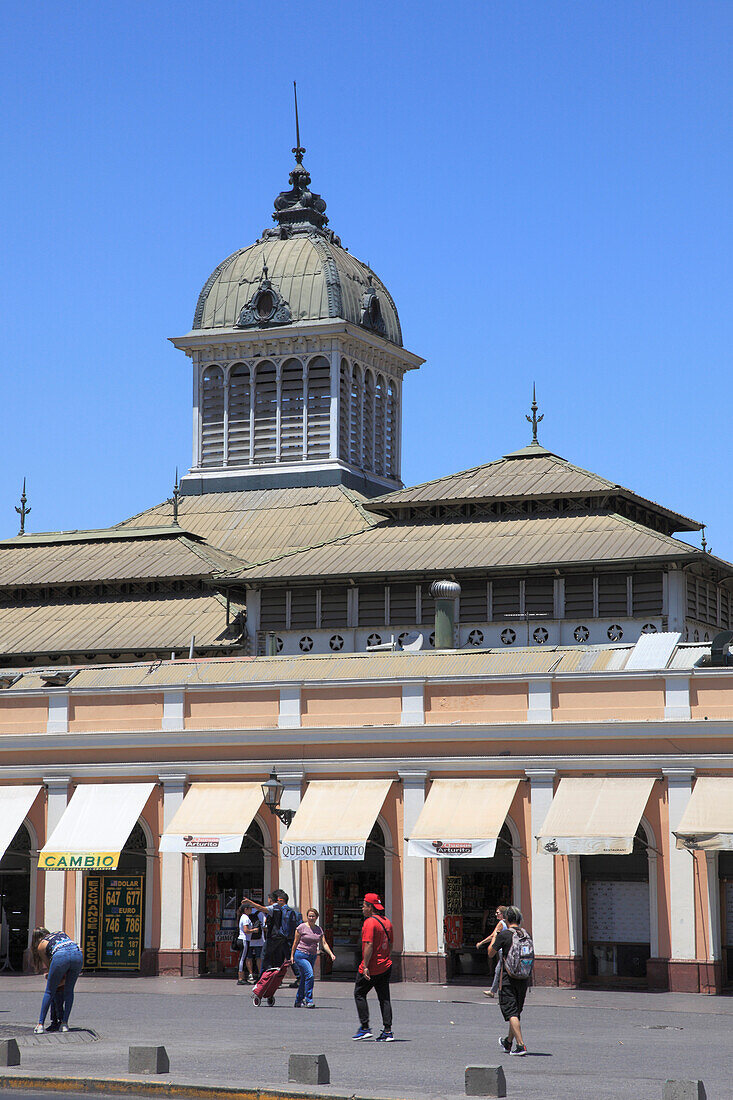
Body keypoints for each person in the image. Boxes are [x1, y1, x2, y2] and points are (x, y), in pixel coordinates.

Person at [488, 906, 532, 1057]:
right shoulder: (525, 934)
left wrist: (495, 936)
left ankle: (521, 1045)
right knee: (516, 1012)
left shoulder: (505, 935)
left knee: (511, 1012)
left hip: (507, 978)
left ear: (506, 919)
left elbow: (490, 953)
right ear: (519, 919)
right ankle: (508, 1042)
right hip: (523, 978)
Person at [353, 892, 394, 1042]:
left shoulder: (370, 922)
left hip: (372, 967)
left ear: (370, 907)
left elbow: (369, 944)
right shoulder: (387, 922)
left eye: (364, 906)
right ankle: (388, 1031)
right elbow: (390, 944)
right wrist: (385, 957)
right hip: (385, 965)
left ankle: (364, 1027)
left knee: (359, 993)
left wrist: (365, 965)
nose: (362, 909)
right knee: (384, 998)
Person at [31, 928, 84, 1034]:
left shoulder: (41, 945)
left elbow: (51, 966)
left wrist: (52, 977)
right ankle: (64, 1024)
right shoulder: (60, 933)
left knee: (49, 991)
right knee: (69, 991)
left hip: (60, 957)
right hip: (77, 955)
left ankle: (40, 1025)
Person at [290, 907, 336, 1008]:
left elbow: (324, 943)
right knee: (310, 975)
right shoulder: (301, 927)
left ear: (316, 917)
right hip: (300, 955)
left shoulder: (319, 929)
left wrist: (331, 954)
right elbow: (295, 942)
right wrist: (292, 956)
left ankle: (298, 1000)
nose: (311, 918)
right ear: (307, 917)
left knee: (304, 978)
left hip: (312, 956)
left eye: (313, 916)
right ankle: (308, 999)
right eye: (309, 916)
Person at [477, 905, 507, 997]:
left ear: (502, 914)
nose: (496, 914)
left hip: (502, 950)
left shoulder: (501, 923)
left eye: (497, 913)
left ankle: (495, 991)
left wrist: (481, 943)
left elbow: (492, 936)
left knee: (499, 970)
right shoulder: (508, 923)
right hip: (506, 949)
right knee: (499, 970)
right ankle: (493, 991)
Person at [236, 901, 257, 985]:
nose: (251, 910)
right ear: (246, 909)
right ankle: (240, 977)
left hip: (245, 940)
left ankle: (243, 977)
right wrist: (254, 930)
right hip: (244, 940)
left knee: (243, 958)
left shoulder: (244, 917)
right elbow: (246, 930)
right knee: (242, 958)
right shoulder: (245, 918)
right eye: (250, 908)